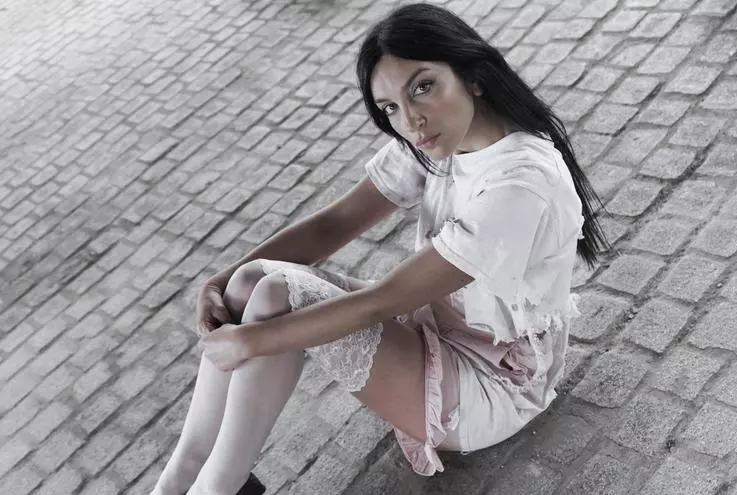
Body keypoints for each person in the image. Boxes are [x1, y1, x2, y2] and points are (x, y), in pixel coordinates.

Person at [151, 3, 608, 494]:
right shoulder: (435, 141)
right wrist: (219, 282)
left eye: (422, 87)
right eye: (390, 108)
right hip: (432, 332)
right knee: (249, 282)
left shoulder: (520, 182)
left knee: (274, 297)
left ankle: (217, 487)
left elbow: (384, 301)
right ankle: (185, 475)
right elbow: (336, 222)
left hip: (490, 383)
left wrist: (251, 341)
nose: (411, 120)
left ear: (473, 77)